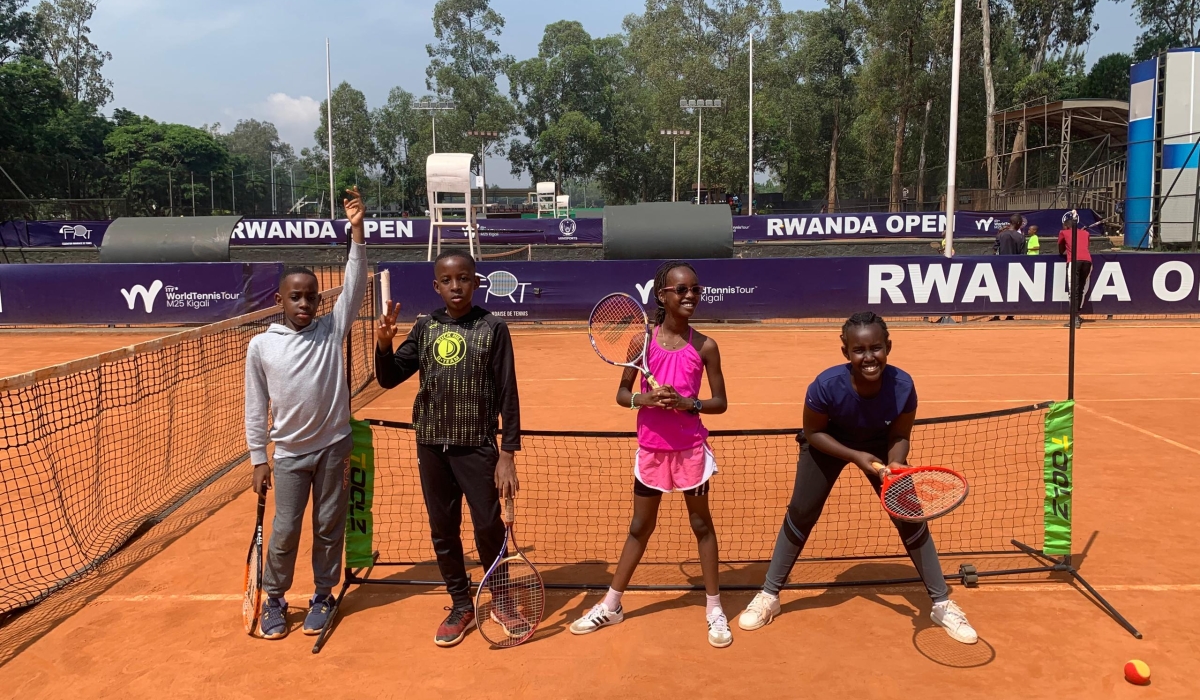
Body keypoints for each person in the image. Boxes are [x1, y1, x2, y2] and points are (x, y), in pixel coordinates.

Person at [737, 312, 978, 645]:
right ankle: (769, 595)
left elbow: (901, 435)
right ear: (845, 351)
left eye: (876, 348)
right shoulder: (826, 385)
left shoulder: (903, 385)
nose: (869, 357)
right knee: (802, 513)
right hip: (828, 442)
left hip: (880, 445)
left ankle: (941, 603)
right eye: (859, 350)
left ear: (888, 346)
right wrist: (855, 457)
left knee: (910, 516)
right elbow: (813, 431)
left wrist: (894, 463)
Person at [569, 261, 732, 647]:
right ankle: (612, 604)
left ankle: (714, 609)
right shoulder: (640, 343)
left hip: (690, 451)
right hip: (652, 453)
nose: (690, 295)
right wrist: (646, 398)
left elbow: (720, 402)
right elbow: (623, 395)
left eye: (695, 288)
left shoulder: (706, 346)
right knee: (640, 527)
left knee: (701, 526)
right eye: (681, 290)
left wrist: (687, 404)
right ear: (663, 296)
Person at [374, 250, 522, 648]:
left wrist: (507, 452)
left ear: (476, 282)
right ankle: (460, 603)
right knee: (443, 530)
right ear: (436, 286)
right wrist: (384, 344)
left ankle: (502, 598)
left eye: (463, 278)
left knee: (489, 527)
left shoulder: (493, 327)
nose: (456, 286)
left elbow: (508, 392)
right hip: (432, 446)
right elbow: (389, 378)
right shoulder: (424, 328)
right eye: (447, 280)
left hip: (477, 446)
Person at [245, 187, 367, 640]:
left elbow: (354, 282)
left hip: (334, 446)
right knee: (284, 530)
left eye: (311, 297)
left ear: (320, 300)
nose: (304, 304)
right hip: (290, 455)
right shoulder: (261, 346)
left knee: (328, 526)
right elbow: (255, 405)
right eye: (295, 296)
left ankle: (322, 594)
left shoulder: (332, 328)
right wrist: (258, 456)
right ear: (280, 299)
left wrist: (357, 232)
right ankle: (275, 599)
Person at [1058, 211, 1092, 329]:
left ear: (1067, 226)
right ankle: (1077, 315)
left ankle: (1075, 318)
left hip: (1074, 262)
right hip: (1087, 262)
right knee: (1080, 289)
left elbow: (1061, 249)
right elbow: (1085, 245)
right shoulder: (1085, 233)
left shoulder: (1063, 232)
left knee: (1073, 290)